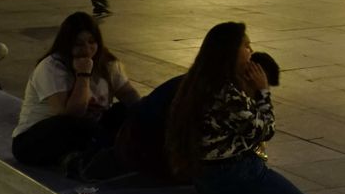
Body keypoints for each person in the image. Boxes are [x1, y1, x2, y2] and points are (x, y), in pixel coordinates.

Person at [165, 22, 323, 194]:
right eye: (246, 46)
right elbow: (266, 130)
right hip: (235, 177)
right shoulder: (226, 93)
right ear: (229, 52)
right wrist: (263, 92)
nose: (251, 51)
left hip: (206, 177)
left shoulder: (200, 82)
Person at [117, 50, 279, 183]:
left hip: (138, 141)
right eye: (256, 91)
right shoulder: (224, 97)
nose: (254, 99)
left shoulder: (212, 83)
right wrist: (263, 94)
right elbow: (265, 130)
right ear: (248, 76)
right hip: (146, 152)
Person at [12, 12, 139, 176]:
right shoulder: (52, 67)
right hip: (36, 140)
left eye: (92, 42)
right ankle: (87, 157)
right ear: (67, 44)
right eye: (78, 44)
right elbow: (71, 113)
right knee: (72, 124)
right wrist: (83, 75)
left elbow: (129, 96)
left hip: (87, 132)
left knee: (124, 111)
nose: (87, 50)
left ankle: (107, 152)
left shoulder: (107, 63)